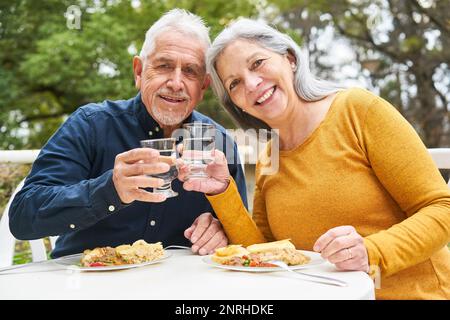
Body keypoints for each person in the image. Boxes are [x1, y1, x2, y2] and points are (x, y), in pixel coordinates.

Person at [179, 18, 450, 299]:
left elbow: (441, 208)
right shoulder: (269, 156)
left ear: (291, 59)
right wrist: (223, 191)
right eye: (234, 83)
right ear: (234, 102)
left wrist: (372, 252)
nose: (251, 83)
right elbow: (264, 252)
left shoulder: (358, 110)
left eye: (257, 63)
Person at [8, 9, 247, 258]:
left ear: (203, 86)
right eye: (164, 66)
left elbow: (242, 236)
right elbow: (23, 216)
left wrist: (223, 230)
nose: (176, 83)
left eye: (190, 71)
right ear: (138, 72)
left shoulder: (220, 142)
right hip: (87, 285)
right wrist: (110, 189)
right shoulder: (91, 125)